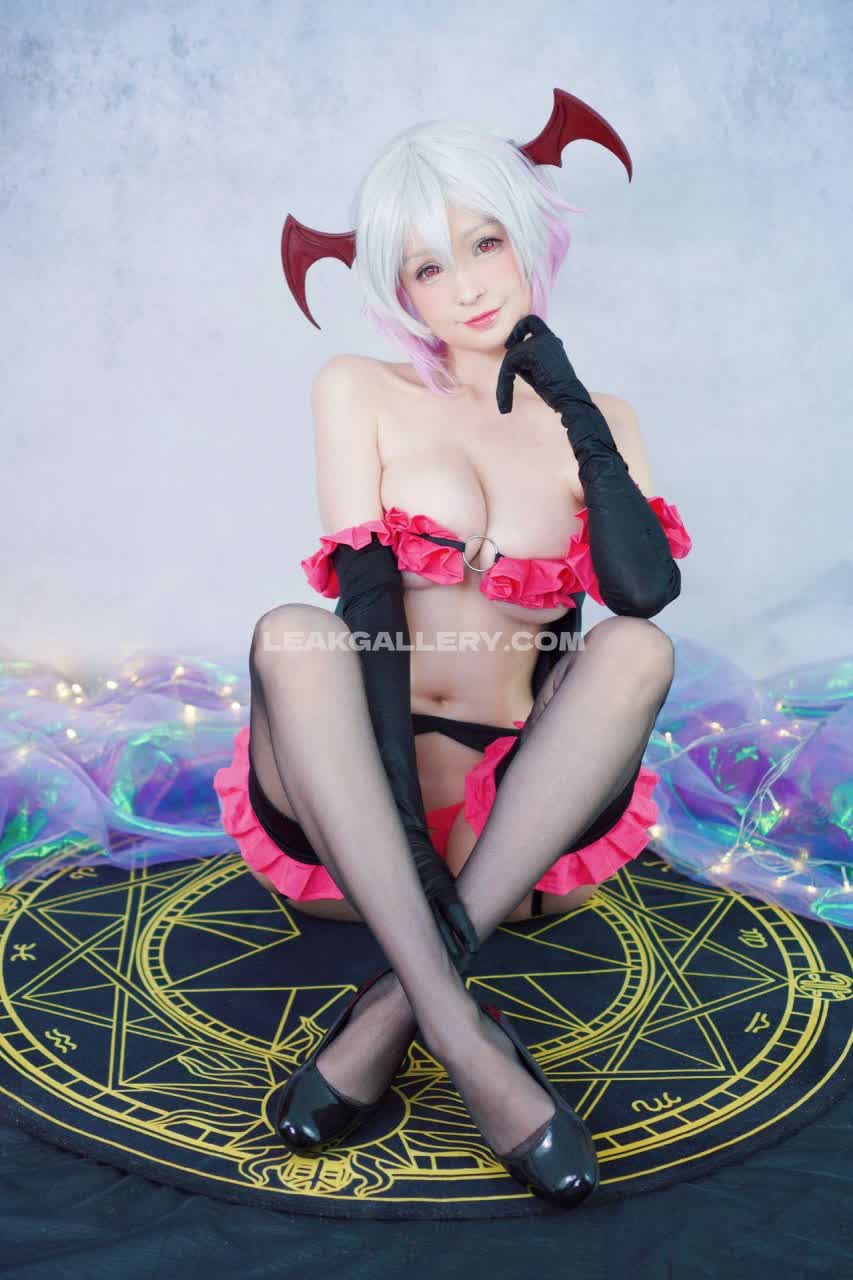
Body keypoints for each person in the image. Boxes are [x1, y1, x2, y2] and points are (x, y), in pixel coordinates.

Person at [213, 97, 692, 1207]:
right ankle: (472, 1044)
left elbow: (641, 588)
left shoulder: (603, 416)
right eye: (429, 268)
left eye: (485, 244)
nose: (469, 286)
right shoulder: (359, 388)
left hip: (508, 825)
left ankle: (393, 1007)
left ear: (528, 238)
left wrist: (568, 401)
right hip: (354, 808)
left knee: (636, 649)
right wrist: (401, 841)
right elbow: (365, 616)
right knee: (293, 632)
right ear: (400, 290)